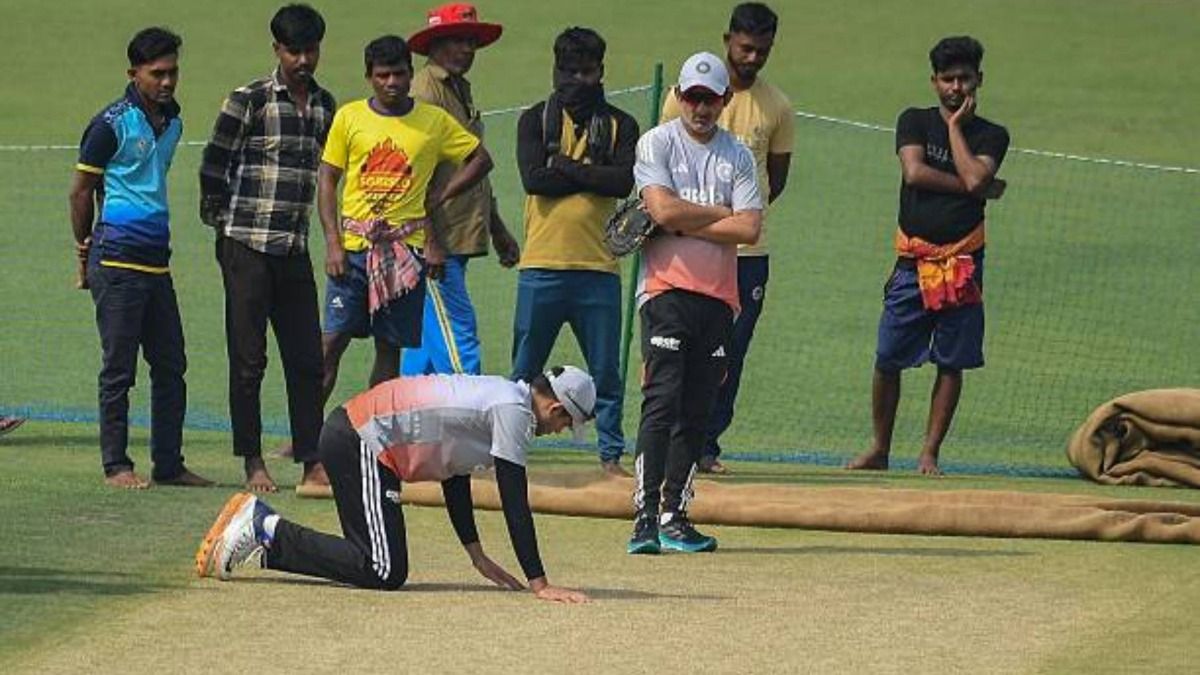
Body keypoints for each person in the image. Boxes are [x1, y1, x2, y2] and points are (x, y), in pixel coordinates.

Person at [195, 366, 593, 603]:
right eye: (563, 425)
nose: (557, 431)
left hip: (360, 440)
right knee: (384, 569)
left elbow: (453, 477)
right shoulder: (514, 411)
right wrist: (539, 583)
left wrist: (477, 555)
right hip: (361, 440)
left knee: (380, 565)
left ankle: (263, 541)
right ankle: (265, 529)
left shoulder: (502, 398)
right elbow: (513, 497)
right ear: (556, 408)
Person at [846, 36, 1009, 476]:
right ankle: (879, 449)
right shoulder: (913, 120)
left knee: (952, 360)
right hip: (913, 262)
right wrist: (977, 187)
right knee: (887, 355)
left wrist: (956, 129)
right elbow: (915, 172)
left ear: (979, 80)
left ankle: (929, 453)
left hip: (964, 263)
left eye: (965, 79)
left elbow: (978, 177)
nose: (956, 88)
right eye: (948, 79)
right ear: (933, 81)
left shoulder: (992, 134)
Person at [626, 53, 762, 554]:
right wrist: (716, 213)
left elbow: (749, 228)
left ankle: (674, 516)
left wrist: (682, 220)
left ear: (726, 100)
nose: (701, 107)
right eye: (693, 97)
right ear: (679, 97)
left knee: (697, 408)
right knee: (661, 399)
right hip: (665, 291)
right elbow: (658, 208)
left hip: (719, 297)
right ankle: (643, 516)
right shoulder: (656, 142)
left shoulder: (740, 154)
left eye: (711, 98)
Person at [317, 36, 493, 416]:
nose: (392, 83)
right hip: (353, 249)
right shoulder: (349, 117)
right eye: (383, 75)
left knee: (389, 348)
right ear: (369, 77)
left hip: (405, 251)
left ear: (410, 74)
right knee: (331, 342)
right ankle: (305, 437)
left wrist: (439, 195)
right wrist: (333, 242)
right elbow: (328, 178)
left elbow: (480, 159)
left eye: (399, 74)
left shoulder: (433, 121)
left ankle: (373, 432)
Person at [68, 27, 212, 489]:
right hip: (117, 261)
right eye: (157, 74)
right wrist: (83, 246)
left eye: (173, 72)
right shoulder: (110, 124)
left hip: (156, 263)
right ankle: (117, 466)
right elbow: (80, 191)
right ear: (134, 74)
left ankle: (168, 465)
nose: (167, 82)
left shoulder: (174, 121)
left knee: (171, 365)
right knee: (119, 368)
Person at [199, 4, 335, 493]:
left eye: (311, 50)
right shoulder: (250, 99)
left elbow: (328, 173)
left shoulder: (324, 105)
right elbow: (214, 166)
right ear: (276, 49)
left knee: (306, 359)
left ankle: (311, 458)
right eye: (294, 50)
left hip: (293, 248)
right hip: (247, 246)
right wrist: (225, 233)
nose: (303, 60)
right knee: (249, 359)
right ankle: (253, 461)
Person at [660, 2, 793, 475]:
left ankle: (708, 445)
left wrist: (734, 222)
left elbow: (776, 181)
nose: (754, 58)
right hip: (688, 247)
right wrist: (711, 221)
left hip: (748, 253)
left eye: (763, 50)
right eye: (746, 47)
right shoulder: (684, 97)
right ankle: (673, 441)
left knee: (729, 352)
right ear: (727, 40)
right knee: (679, 347)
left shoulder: (777, 106)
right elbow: (665, 168)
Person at [512, 27, 639, 477]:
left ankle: (610, 458)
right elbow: (534, 181)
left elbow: (623, 182)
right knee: (522, 373)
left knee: (607, 373)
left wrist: (563, 166)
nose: (577, 81)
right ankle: (507, 452)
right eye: (568, 72)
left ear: (601, 71)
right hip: (541, 266)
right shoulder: (533, 119)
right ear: (555, 70)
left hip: (599, 269)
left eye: (586, 72)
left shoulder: (623, 124)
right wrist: (592, 173)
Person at [401, 3, 521, 377]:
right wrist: (430, 240)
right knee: (460, 336)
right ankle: (473, 421)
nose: (467, 49)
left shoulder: (457, 88)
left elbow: (468, 170)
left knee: (422, 351)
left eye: (471, 41)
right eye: (456, 40)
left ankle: (402, 430)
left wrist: (497, 228)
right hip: (434, 243)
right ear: (434, 44)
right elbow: (413, 176)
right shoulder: (425, 93)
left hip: (455, 236)